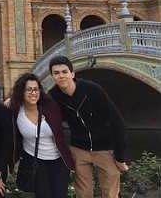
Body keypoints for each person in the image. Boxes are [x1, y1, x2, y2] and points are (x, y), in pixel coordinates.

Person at [48, 55, 128, 198]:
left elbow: (117, 121)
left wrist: (120, 157)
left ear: (72, 73)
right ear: (52, 77)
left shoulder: (91, 89)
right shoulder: (53, 96)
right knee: (83, 193)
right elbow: (35, 102)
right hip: (79, 149)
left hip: (105, 148)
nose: (61, 76)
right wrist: (14, 98)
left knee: (110, 193)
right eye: (56, 73)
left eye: (64, 72)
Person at [10, 73, 74, 198]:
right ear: (21, 92)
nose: (33, 93)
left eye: (36, 89)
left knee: (60, 195)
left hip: (58, 161)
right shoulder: (15, 110)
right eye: (28, 89)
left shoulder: (50, 106)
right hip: (35, 161)